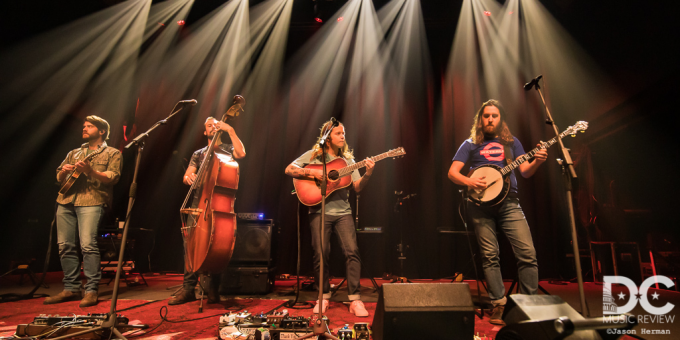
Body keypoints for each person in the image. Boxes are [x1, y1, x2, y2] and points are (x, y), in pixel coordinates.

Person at [447, 99, 548, 325]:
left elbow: (525, 172)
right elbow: (452, 173)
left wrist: (537, 161)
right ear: (480, 119)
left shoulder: (512, 143)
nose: (490, 119)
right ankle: (499, 305)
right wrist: (470, 182)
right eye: (486, 116)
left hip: (510, 203)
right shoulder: (470, 143)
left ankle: (529, 307)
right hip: (480, 206)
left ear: (500, 119)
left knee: (527, 255)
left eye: (494, 115)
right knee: (490, 256)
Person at [284, 120, 374, 317]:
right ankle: (323, 296)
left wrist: (368, 173)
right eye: (338, 133)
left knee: (352, 252)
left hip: (343, 213)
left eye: (344, 133)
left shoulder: (349, 161)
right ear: (328, 137)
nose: (343, 136)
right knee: (321, 253)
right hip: (319, 210)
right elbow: (289, 169)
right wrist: (312, 173)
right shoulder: (315, 156)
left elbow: (357, 187)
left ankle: (355, 299)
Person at [45, 115, 122, 307]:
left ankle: (91, 290)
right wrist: (64, 171)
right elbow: (58, 175)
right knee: (65, 246)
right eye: (84, 126)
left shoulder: (112, 153)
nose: (84, 128)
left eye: (89, 126)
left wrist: (91, 171)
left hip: (92, 201)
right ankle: (71, 288)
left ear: (102, 131)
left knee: (88, 244)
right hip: (66, 200)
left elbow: (113, 177)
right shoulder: (74, 153)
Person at [169, 116, 246, 305]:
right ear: (205, 131)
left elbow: (241, 153)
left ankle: (213, 288)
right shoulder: (199, 154)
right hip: (197, 204)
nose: (213, 127)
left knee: (215, 246)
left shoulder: (226, 150)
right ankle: (188, 289)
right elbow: (188, 174)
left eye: (216, 124)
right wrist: (189, 177)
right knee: (191, 246)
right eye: (209, 125)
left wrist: (231, 131)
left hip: (217, 206)